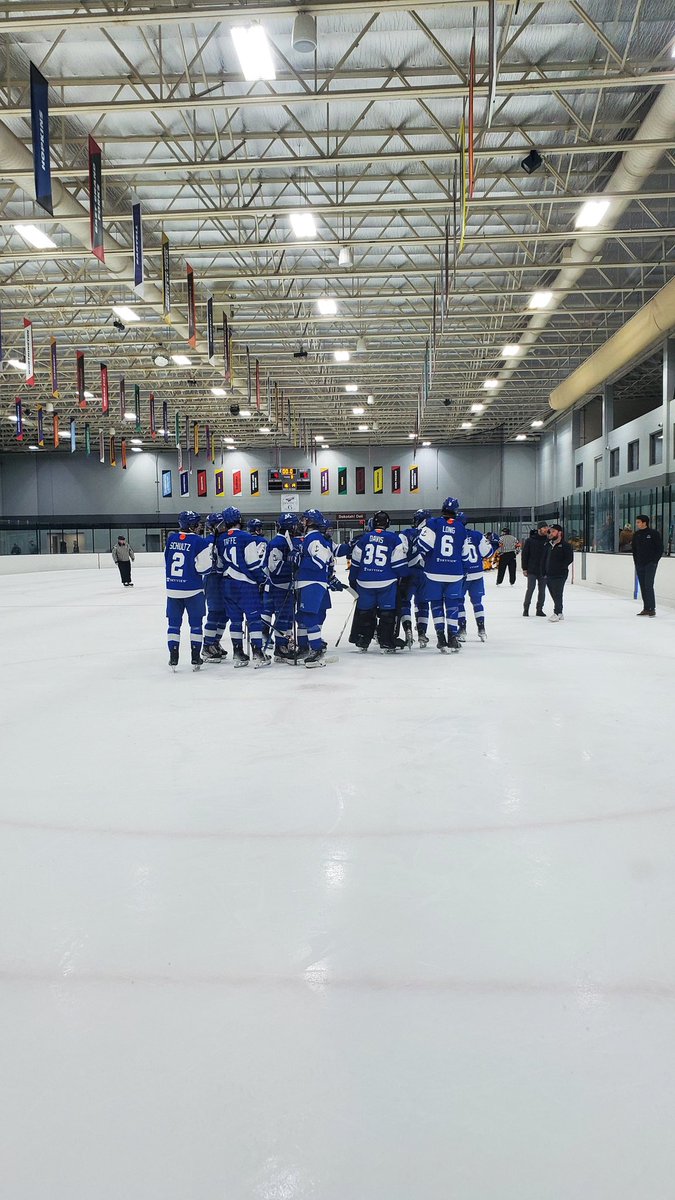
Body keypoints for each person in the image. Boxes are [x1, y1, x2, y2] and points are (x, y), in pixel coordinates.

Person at [417, 497, 471, 653]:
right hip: (455, 573)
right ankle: (452, 637)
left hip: (433, 572)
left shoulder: (433, 523)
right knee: (452, 604)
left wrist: (428, 558)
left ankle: (441, 638)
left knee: (436, 604)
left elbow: (423, 545)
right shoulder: (461, 528)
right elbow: (465, 554)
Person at [217, 507, 270, 667]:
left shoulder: (220, 539)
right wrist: (262, 579)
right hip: (245, 584)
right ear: (239, 520)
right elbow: (253, 564)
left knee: (235, 620)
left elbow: (219, 565)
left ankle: (238, 653)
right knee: (254, 619)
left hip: (227, 583)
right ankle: (258, 653)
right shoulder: (246, 537)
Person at [348, 510, 407, 652]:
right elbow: (398, 564)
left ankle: (363, 641)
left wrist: (352, 580)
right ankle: (385, 642)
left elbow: (355, 562)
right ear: (388, 523)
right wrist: (404, 578)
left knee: (365, 612)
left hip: (364, 582)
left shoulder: (364, 538)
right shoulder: (394, 539)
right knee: (387, 612)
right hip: (386, 582)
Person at [164, 511, 211, 669]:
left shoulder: (171, 539)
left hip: (173, 589)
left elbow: (166, 560)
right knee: (196, 625)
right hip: (193, 590)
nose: (199, 526)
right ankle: (195, 657)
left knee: (173, 625)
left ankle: (173, 657)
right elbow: (204, 568)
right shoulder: (199, 541)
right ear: (192, 525)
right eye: (197, 523)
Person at [294, 508, 335, 668]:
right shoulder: (310, 538)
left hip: (313, 583)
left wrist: (299, 559)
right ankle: (304, 647)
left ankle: (316, 650)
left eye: (304, 519)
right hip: (307, 582)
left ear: (311, 522)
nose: (302, 522)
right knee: (302, 617)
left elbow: (319, 561)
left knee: (309, 616)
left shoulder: (315, 538)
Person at [263, 513, 302, 663]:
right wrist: (292, 565)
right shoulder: (278, 542)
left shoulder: (287, 540)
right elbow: (274, 567)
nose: (297, 527)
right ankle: (280, 647)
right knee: (282, 617)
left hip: (286, 586)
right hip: (279, 587)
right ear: (290, 527)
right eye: (295, 525)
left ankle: (285, 643)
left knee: (288, 617)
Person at [399, 508, 431, 648]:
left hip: (408, 572)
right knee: (423, 603)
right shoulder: (433, 533)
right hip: (426, 573)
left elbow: (401, 552)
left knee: (405, 602)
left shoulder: (406, 533)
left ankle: (407, 629)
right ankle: (422, 633)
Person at [457, 515, 491, 641]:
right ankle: (482, 629)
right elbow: (487, 553)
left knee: (459, 602)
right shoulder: (477, 535)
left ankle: (462, 629)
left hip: (461, 574)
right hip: (477, 573)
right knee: (477, 603)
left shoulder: (456, 535)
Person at [202, 513, 229, 662]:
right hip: (212, 580)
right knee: (214, 611)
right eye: (221, 524)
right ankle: (207, 645)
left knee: (225, 613)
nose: (224, 527)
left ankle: (215, 642)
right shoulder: (209, 541)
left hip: (224, 579)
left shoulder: (223, 539)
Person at [632, 515, 663, 617]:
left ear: (644, 523)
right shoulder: (636, 535)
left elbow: (660, 548)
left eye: (638, 522)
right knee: (643, 586)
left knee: (648, 585)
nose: (637, 524)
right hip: (639, 564)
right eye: (637, 522)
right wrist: (636, 562)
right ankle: (646, 608)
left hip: (650, 564)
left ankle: (651, 608)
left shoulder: (653, 534)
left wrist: (654, 561)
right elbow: (634, 550)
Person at [543, 524, 574, 622]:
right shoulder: (548, 545)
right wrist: (543, 571)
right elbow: (544, 559)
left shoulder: (565, 545)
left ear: (559, 533)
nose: (551, 533)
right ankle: (560, 613)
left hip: (560, 574)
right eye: (550, 531)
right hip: (548, 573)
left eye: (553, 531)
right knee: (553, 593)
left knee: (558, 593)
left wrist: (561, 567)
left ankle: (556, 612)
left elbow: (569, 558)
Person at [521, 521, 549, 616]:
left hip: (543, 570)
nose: (546, 529)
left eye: (546, 527)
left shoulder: (548, 541)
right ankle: (526, 609)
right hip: (532, 569)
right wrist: (524, 568)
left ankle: (539, 609)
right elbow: (525, 555)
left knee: (542, 590)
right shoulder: (530, 540)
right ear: (539, 529)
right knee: (530, 589)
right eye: (544, 528)